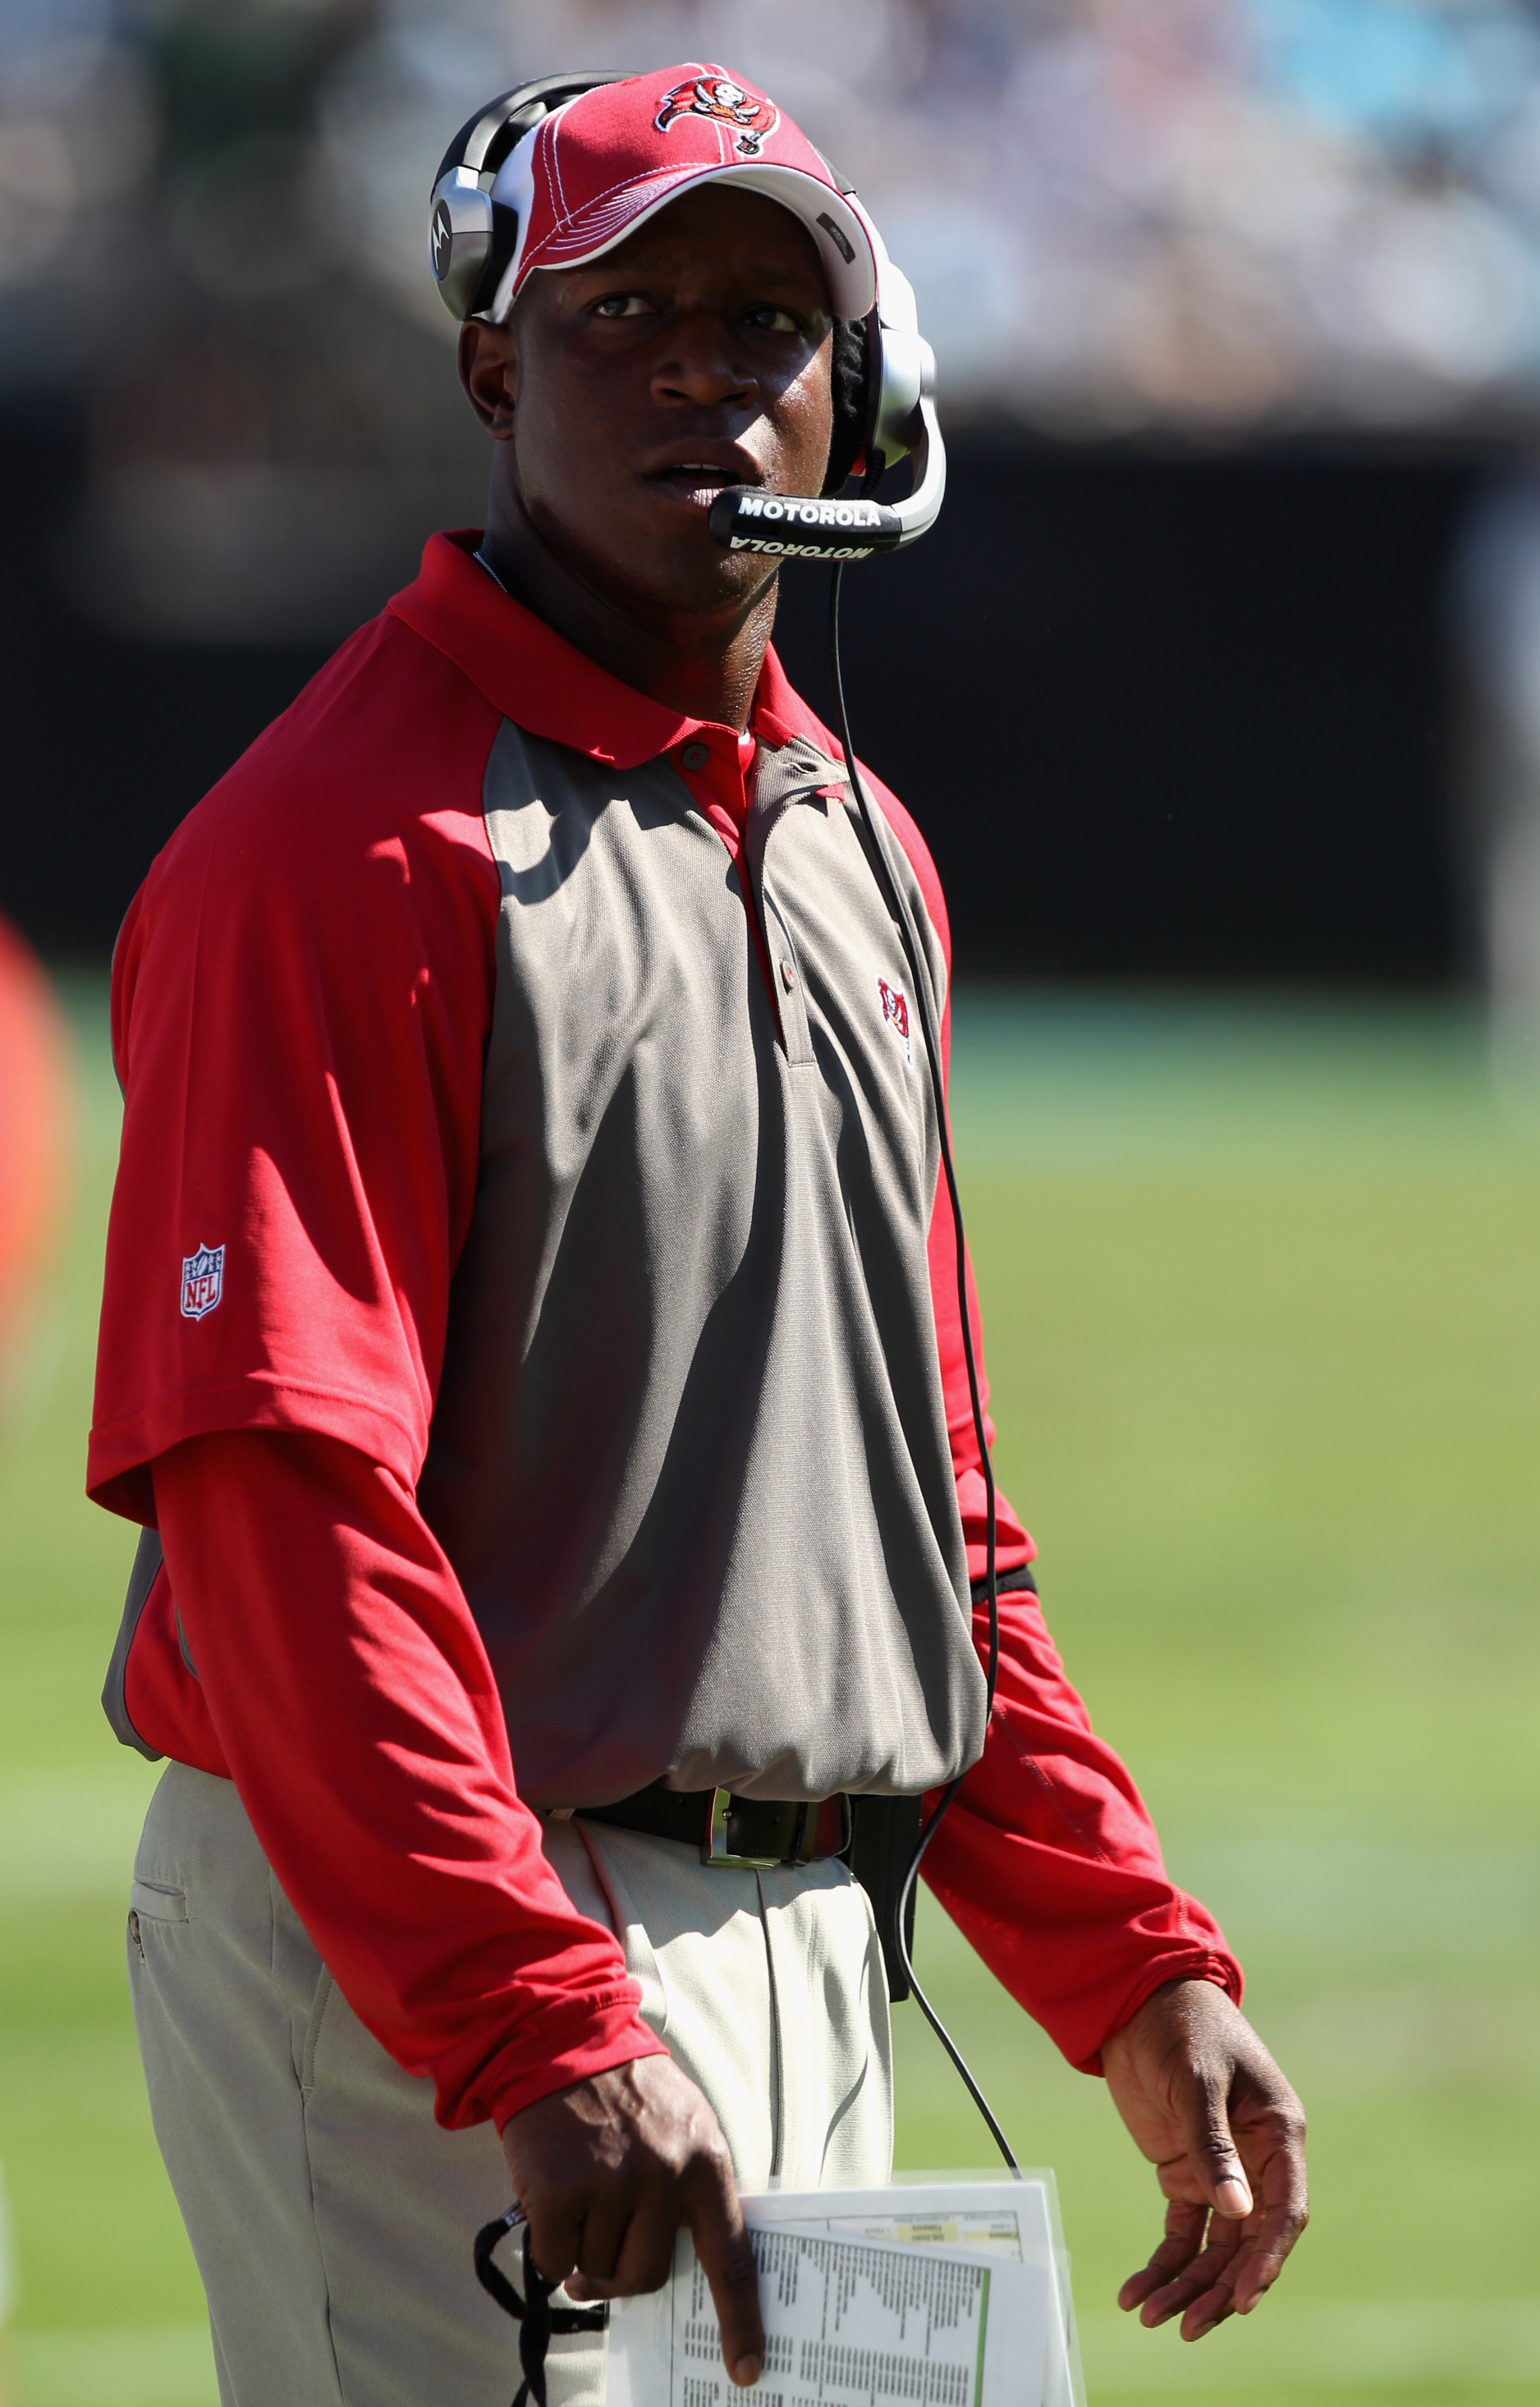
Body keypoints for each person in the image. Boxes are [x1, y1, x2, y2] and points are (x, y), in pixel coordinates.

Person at [89, 64, 1307, 2407]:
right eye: (620, 306)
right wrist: (526, 2010)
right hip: (450, 1937)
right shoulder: (333, 856)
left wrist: (1126, 1958)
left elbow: (914, 1508)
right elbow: (280, 1504)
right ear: (489, 366)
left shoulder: (867, 845)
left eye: (767, 317)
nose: (700, 367)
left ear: (864, 385)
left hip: (804, 1933)